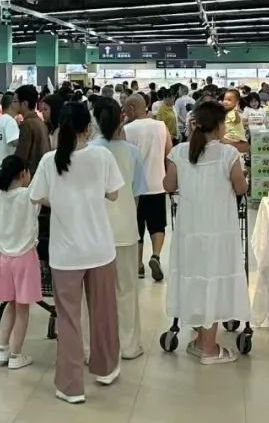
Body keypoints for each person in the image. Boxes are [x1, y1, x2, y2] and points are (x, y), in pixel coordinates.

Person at [29, 103, 122, 404]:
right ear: (88, 128)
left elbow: (36, 196)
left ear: (58, 128)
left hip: (65, 253)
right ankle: (106, 369)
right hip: (100, 249)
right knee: (104, 313)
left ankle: (71, 387)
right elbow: (114, 193)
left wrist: (61, 200)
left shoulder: (49, 161)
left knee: (68, 319)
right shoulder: (102, 156)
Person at [162, 101, 249, 365]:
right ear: (219, 125)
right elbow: (241, 188)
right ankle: (210, 350)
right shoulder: (228, 154)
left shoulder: (179, 152)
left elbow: (169, 185)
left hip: (189, 231)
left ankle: (201, 341)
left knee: (196, 279)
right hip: (218, 230)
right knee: (214, 279)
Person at [91, 97, 148, 359]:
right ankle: (128, 345)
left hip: (94, 232)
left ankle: (96, 346)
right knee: (126, 290)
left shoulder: (88, 152)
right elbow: (136, 194)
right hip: (125, 229)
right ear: (120, 120)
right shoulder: (132, 153)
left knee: (95, 294)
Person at [0, 155, 41, 370]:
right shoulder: (29, 195)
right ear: (23, 174)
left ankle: (2, 350)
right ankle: (16, 355)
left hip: (4, 260)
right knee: (22, 309)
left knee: (9, 305)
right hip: (25, 258)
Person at [122, 94, 172, 281]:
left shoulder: (127, 130)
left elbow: (124, 157)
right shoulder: (161, 126)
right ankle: (156, 256)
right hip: (157, 184)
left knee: (137, 225)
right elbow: (169, 152)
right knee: (157, 224)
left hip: (134, 188)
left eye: (126, 109)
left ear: (132, 109)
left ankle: (138, 265)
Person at [13, 85, 50, 175]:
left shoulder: (27, 124)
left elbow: (21, 156)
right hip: (41, 173)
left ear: (25, 104)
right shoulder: (39, 122)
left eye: (15, 101)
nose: (13, 104)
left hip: (30, 176)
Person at [0, 93, 20, 172]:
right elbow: (15, 142)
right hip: (7, 168)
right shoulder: (10, 121)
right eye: (18, 102)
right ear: (12, 104)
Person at [220, 88, 249, 154]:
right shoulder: (227, 112)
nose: (225, 102)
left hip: (232, 138)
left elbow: (237, 120)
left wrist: (236, 111)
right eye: (225, 99)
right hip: (230, 137)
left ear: (236, 102)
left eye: (229, 100)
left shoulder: (233, 112)